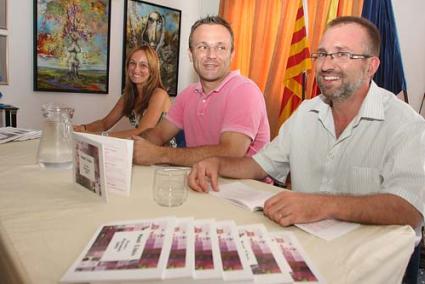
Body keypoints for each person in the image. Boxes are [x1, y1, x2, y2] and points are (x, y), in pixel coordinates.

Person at [188, 16, 425, 283]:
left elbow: (408, 208)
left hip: (377, 264)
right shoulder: (305, 113)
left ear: (372, 66)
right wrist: (217, 163)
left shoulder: (407, 125)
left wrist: (322, 205)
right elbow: (258, 165)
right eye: (322, 54)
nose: (326, 65)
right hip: (306, 251)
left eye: (342, 54)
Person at [132, 16, 270, 166]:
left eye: (221, 47)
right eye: (203, 47)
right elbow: (158, 134)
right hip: (200, 182)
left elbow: (231, 152)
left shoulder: (245, 91)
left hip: (248, 187)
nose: (211, 55)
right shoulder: (187, 94)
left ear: (231, 55)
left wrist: (160, 155)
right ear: (191, 54)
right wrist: (131, 147)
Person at [73, 45, 171, 139]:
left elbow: (142, 132)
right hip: (143, 149)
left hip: (163, 153)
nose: (136, 69)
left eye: (143, 65)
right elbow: (104, 123)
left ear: (152, 70)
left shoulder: (159, 95)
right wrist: (82, 128)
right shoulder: (129, 96)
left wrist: (101, 136)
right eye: (132, 63)